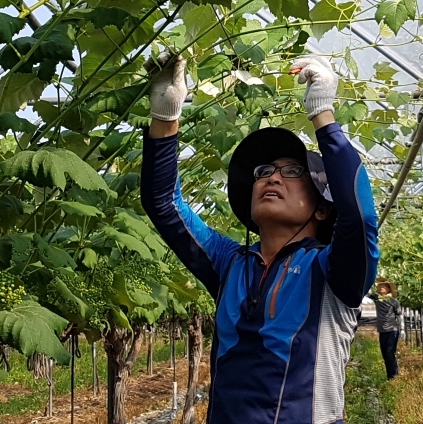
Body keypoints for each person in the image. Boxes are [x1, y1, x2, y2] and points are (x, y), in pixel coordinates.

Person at [140, 53, 379, 423]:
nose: (272, 177)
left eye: (292, 171)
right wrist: (165, 116)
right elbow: (165, 205)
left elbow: (360, 215)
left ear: (322, 208)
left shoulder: (334, 271)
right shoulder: (229, 265)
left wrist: (322, 113)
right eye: (264, 171)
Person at [367, 278, 404, 379]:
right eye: (380, 286)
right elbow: (367, 291)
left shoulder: (394, 301)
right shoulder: (377, 298)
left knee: (390, 353)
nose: (382, 287)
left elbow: (399, 315)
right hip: (382, 331)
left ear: (389, 289)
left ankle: (395, 375)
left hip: (392, 330)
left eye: (384, 286)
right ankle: (389, 376)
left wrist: (402, 329)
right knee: (385, 354)